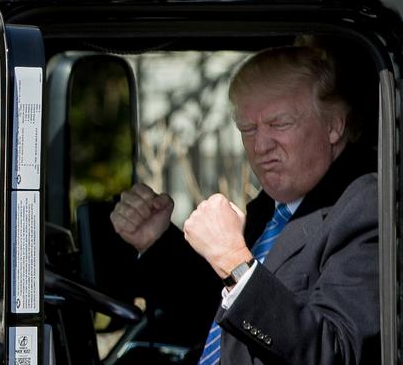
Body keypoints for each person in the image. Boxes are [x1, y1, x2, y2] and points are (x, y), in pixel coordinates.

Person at [110, 44, 379, 364]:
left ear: (334, 125)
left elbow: (334, 352)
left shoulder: (366, 205)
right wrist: (156, 241)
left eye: (279, 124)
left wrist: (233, 261)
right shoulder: (274, 206)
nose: (260, 145)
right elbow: (219, 321)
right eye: (247, 129)